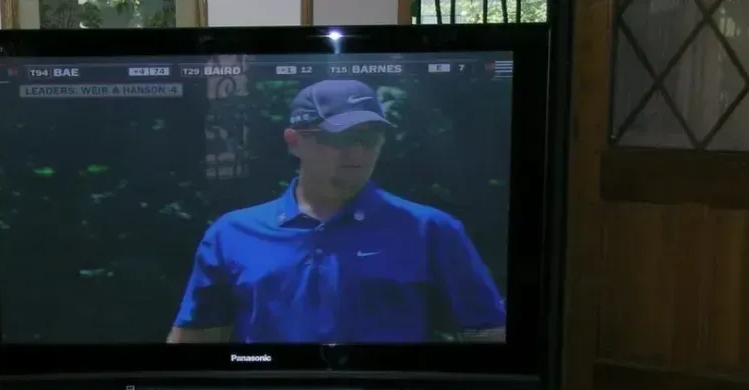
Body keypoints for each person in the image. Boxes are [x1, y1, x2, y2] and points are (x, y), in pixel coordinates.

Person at [167, 78, 506, 344]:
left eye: (370, 138)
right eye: (340, 137)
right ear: (294, 141)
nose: (357, 152)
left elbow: (489, 336)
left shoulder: (431, 229)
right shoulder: (232, 233)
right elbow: (195, 343)